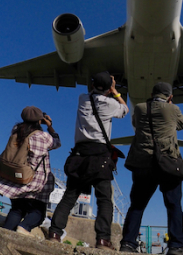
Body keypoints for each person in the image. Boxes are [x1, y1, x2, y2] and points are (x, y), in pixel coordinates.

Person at [48, 72, 129, 247]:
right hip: (100, 155)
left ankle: (54, 232)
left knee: (70, 197)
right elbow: (125, 109)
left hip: (80, 154)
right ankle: (102, 239)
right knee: (104, 200)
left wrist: (104, 88)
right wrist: (115, 91)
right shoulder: (110, 104)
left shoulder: (82, 98)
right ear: (109, 88)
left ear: (92, 85)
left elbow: (94, 92)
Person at [119, 82, 183, 255]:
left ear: (151, 93)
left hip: (143, 162)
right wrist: (170, 107)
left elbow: (136, 124)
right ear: (170, 97)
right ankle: (176, 246)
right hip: (167, 162)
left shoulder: (140, 108)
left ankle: (128, 243)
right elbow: (182, 125)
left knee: (137, 205)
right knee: (174, 206)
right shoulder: (173, 109)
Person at [0, 106, 61, 234]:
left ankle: (6, 232)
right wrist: (50, 126)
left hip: (14, 177)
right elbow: (57, 142)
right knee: (38, 212)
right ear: (39, 120)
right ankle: (24, 227)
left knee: (17, 209)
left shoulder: (16, 132)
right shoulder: (42, 137)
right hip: (35, 182)